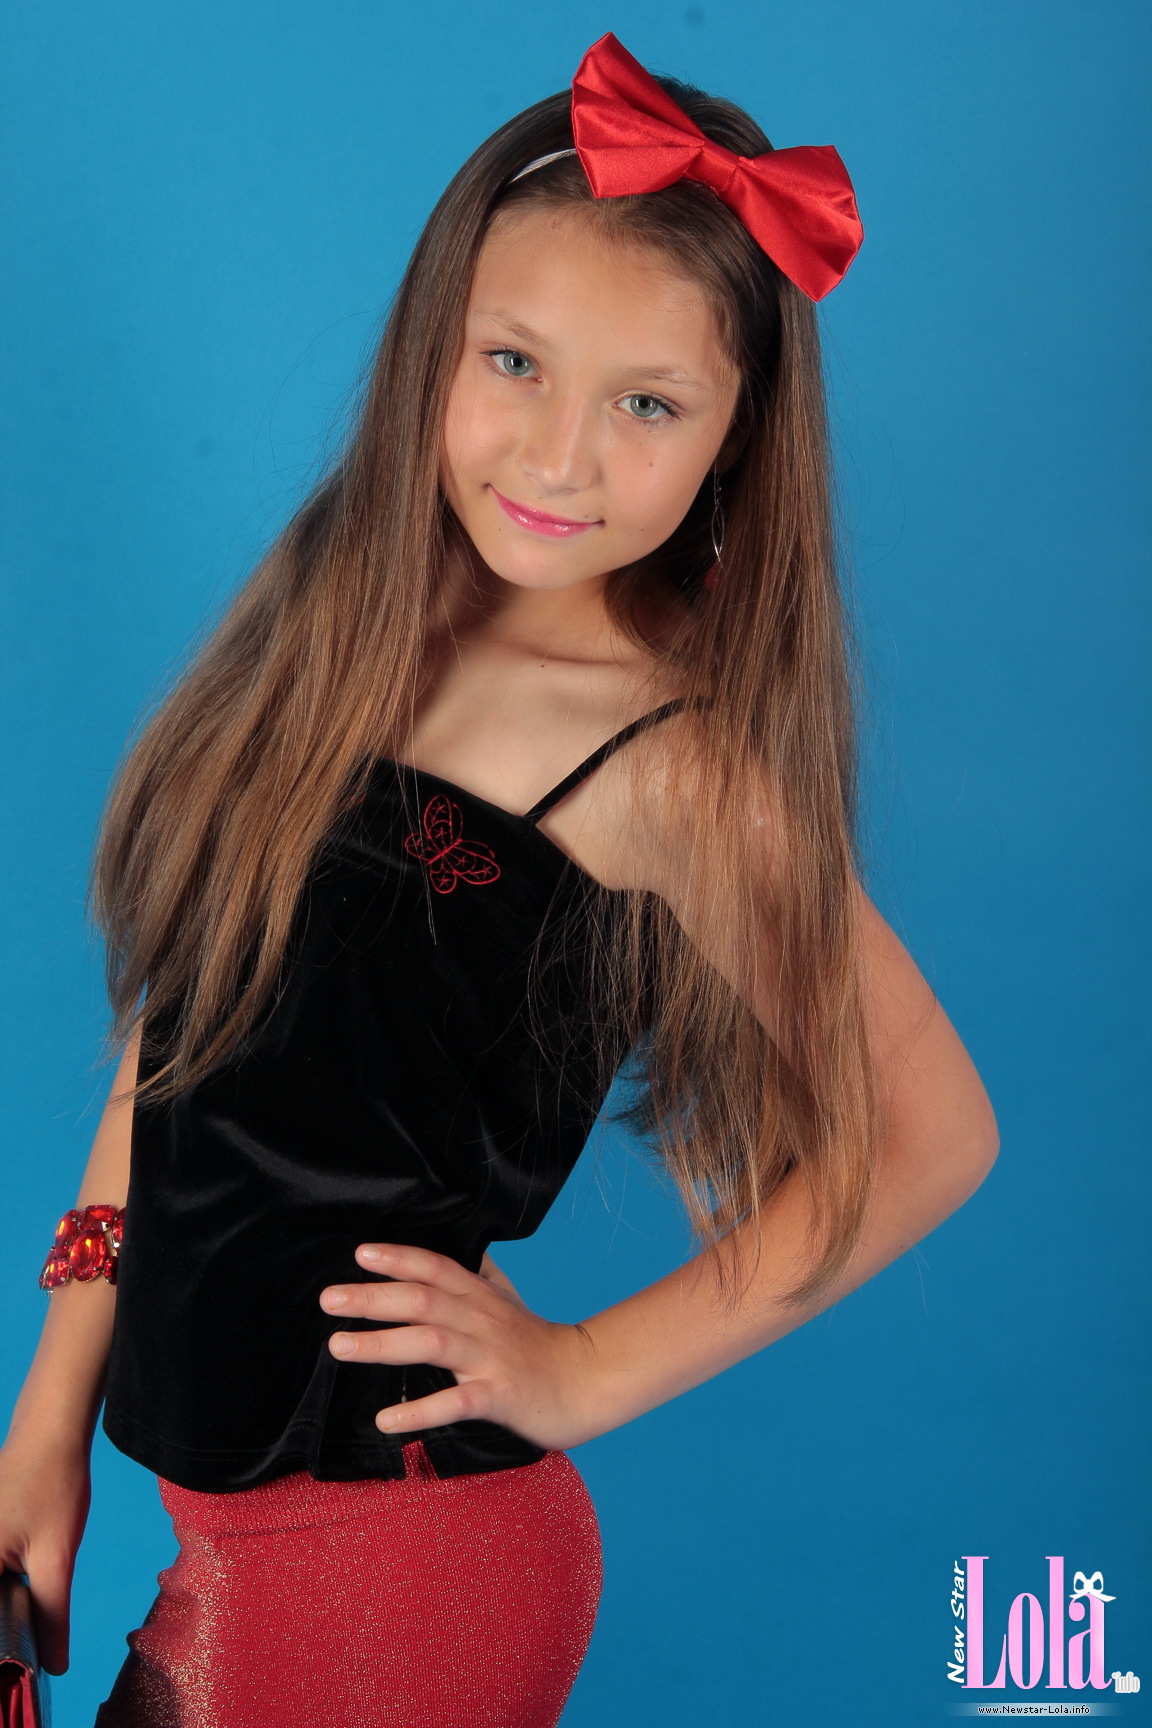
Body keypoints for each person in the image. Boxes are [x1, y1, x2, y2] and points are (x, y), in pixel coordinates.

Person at [0, 33, 998, 1728]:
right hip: (220, 1525)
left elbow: (936, 1136)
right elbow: (185, 1031)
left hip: (400, 1559)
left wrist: (584, 1368)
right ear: (434, 350)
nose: (558, 455)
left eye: (646, 404)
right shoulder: (339, 627)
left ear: (736, 442)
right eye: (515, 362)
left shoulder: (666, 763)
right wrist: (48, 1418)